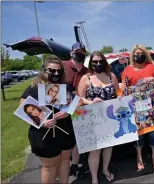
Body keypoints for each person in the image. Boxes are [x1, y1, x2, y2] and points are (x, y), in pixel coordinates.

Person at [19, 56, 76, 184]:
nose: (56, 73)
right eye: (52, 70)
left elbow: (77, 103)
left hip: (65, 130)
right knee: (50, 166)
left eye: (59, 71)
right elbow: (23, 106)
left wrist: (67, 112)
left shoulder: (65, 87)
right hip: (44, 134)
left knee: (65, 159)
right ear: (44, 70)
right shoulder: (34, 88)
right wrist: (42, 122)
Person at [78, 51, 119, 183]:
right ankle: (94, 178)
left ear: (105, 62)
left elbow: (118, 94)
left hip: (109, 116)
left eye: (100, 61)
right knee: (95, 151)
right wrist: (91, 102)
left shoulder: (111, 76)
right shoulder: (86, 78)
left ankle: (105, 169)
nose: (98, 64)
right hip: (92, 118)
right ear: (91, 63)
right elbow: (80, 100)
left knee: (108, 146)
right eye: (94, 62)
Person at [121, 44, 154, 171]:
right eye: (136, 54)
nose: (138, 56)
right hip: (135, 108)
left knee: (153, 134)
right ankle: (139, 158)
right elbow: (123, 89)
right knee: (139, 135)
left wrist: (152, 79)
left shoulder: (152, 67)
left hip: (151, 107)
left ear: (145, 55)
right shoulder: (127, 70)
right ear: (132, 56)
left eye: (141, 53)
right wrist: (126, 89)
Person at [62, 42, 90, 176]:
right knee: (65, 140)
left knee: (79, 138)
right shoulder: (62, 66)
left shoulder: (87, 71)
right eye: (77, 51)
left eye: (83, 52)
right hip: (63, 109)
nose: (80, 54)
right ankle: (62, 167)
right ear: (71, 53)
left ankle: (74, 165)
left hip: (80, 108)